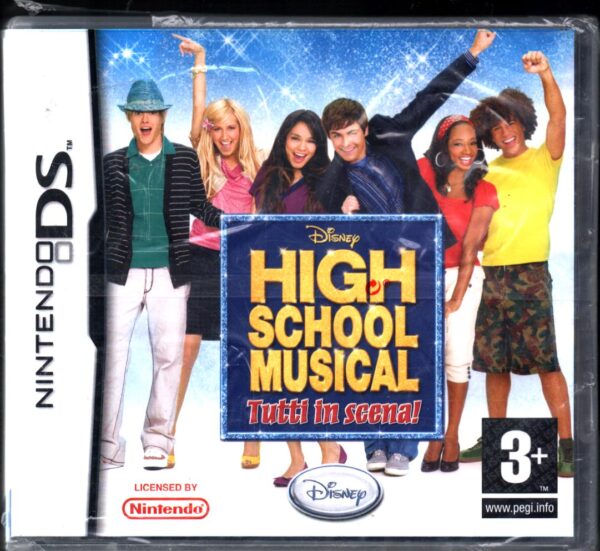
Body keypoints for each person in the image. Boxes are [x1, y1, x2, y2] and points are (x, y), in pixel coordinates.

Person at [321, 29, 496, 477]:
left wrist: (472, 54)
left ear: (364, 128)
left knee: (413, 353)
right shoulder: (334, 177)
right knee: (371, 354)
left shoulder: (390, 132)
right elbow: (320, 224)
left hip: (420, 258)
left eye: (351, 133)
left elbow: (430, 97)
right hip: (372, 270)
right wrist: (343, 212)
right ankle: (374, 445)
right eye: (337, 137)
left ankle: (403, 447)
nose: (346, 143)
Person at [459, 51, 573, 478]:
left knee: (546, 363)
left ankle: (566, 447)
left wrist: (545, 74)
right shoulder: (487, 174)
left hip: (531, 276)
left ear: (523, 121)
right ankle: (497, 439)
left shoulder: (546, 159)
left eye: (510, 122)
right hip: (493, 277)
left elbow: (559, 115)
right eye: (496, 127)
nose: (505, 132)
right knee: (494, 364)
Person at [101, 80, 221, 470]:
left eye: (151, 111)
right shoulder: (112, 163)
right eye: (138, 112)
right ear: (129, 117)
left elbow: (201, 207)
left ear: (162, 116)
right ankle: (106, 446)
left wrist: (242, 222)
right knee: (111, 358)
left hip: (171, 272)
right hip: (122, 273)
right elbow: (100, 217)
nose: (145, 119)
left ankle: (157, 441)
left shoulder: (183, 158)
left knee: (168, 357)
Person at [173, 35, 264, 470]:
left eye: (232, 128)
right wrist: (201, 61)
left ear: (241, 129)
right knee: (186, 344)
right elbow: (197, 111)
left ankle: (253, 437)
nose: (225, 136)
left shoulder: (258, 163)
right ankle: (164, 432)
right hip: (201, 257)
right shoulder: (201, 159)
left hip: (242, 263)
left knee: (247, 347)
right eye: (218, 128)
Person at [251, 109, 347, 486]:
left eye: (310, 140)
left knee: (311, 373)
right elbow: (255, 229)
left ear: (319, 146)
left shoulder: (328, 181)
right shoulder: (267, 176)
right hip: (273, 283)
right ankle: (296, 459)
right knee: (278, 375)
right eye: (295, 138)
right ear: (284, 139)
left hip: (315, 286)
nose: (301, 147)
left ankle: (329, 448)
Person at [416, 115, 498, 473]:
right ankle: (434, 433)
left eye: (473, 143)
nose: (467, 150)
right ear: (443, 148)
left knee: (456, 356)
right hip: (422, 277)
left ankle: (451, 435)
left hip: (464, 278)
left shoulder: (485, 189)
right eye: (458, 143)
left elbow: (469, 250)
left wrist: (455, 299)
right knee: (428, 358)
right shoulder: (424, 173)